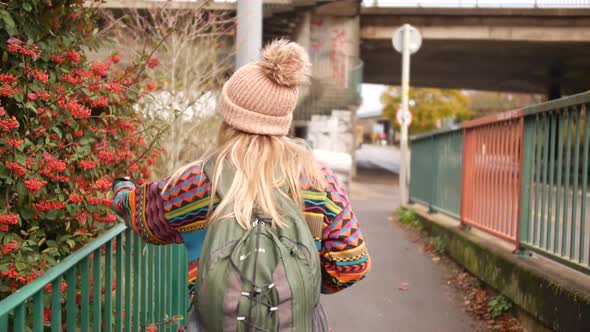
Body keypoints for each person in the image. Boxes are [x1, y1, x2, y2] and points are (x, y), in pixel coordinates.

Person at [112, 39, 371, 331]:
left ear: (228, 116)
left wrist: (121, 187)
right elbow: (352, 264)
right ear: (282, 119)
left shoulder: (195, 183)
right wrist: (298, 285)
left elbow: (141, 218)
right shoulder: (318, 181)